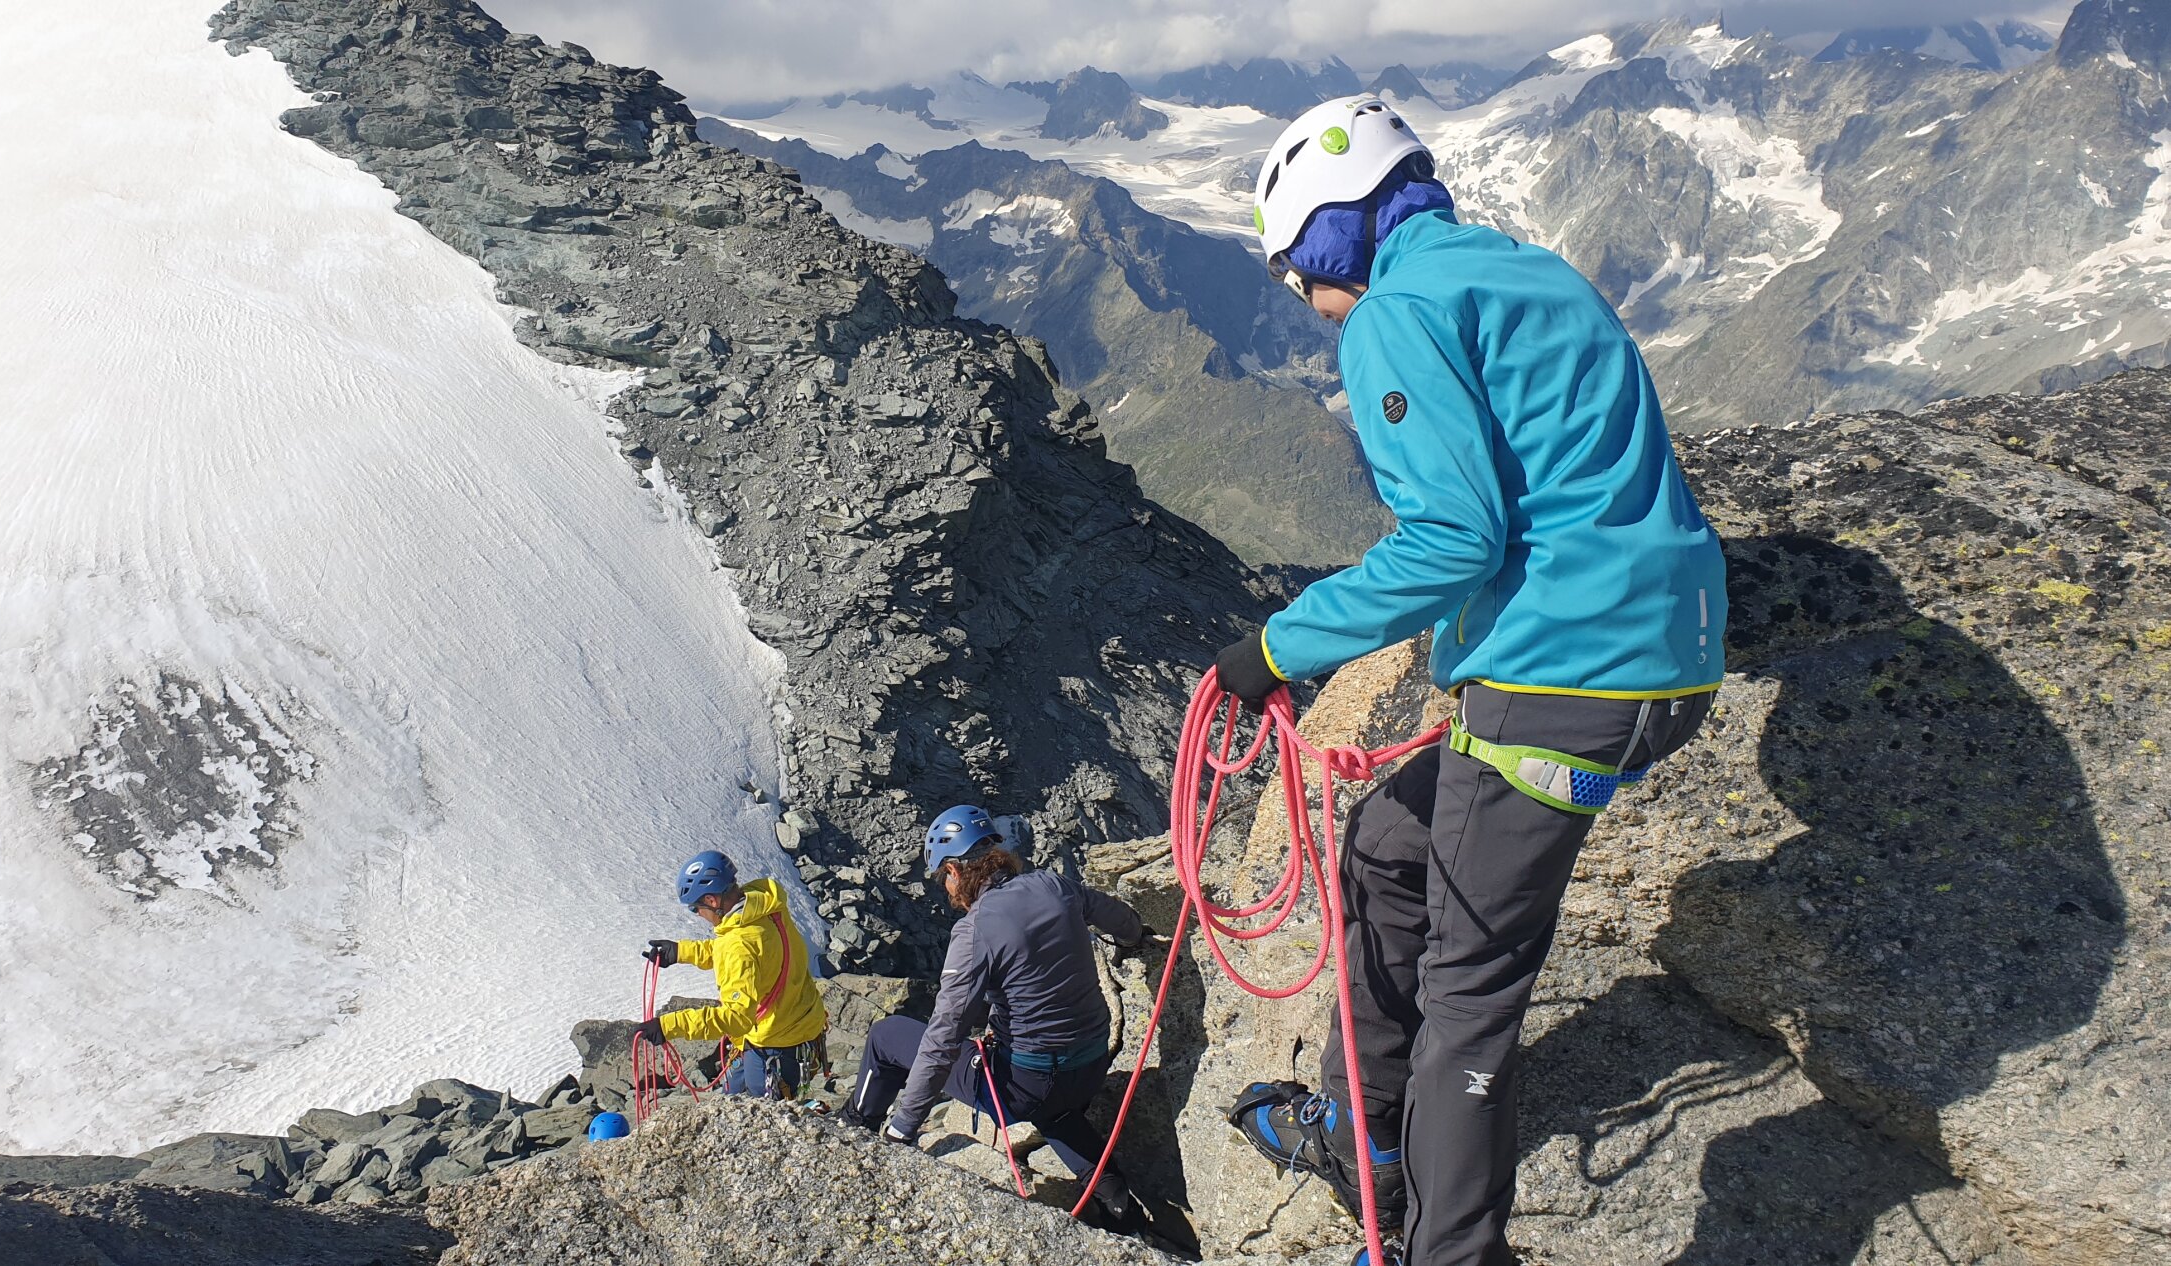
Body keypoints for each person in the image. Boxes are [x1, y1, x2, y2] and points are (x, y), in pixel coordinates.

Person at [1218, 95, 1728, 1266]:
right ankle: (1366, 1130)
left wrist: (1277, 649)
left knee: (1469, 993)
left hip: (1565, 676)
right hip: (1659, 653)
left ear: (1332, 232)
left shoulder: (1394, 314)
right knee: (1388, 846)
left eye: (1299, 270)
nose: (1306, 299)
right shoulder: (1519, 270)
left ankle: (1442, 1248)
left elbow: (1452, 539)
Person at [840, 805, 1146, 1232]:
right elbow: (1123, 921)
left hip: (1028, 1085)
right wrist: (1135, 939)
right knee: (1054, 1108)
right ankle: (1116, 1202)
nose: (947, 890)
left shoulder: (975, 930)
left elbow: (943, 1038)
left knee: (887, 1035)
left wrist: (903, 1128)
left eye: (943, 878)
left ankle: (855, 1133)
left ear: (953, 869)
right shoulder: (1054, 885)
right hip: (1091, 1064)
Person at [634, 849, 828, 1100]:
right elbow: (751, 953)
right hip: (799, 1020)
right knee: (734, 1095)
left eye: (695, 908)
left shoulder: (737, 943)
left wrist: (669, 1025)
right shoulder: (765, 906)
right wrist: (681, 952)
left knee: (760, 1111)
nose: (698, 914)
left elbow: (736, 1018)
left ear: (712, 900)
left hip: (774, 1041)